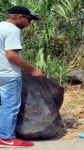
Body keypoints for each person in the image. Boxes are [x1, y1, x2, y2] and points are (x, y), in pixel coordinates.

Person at [0, 6, 44, 147]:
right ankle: (6, 138)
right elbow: (11, 55)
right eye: (28, 19)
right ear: (19, 17)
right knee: (10, 106)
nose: (29, 23)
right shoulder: (13, 30)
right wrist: (33, 69)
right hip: (8, 74)